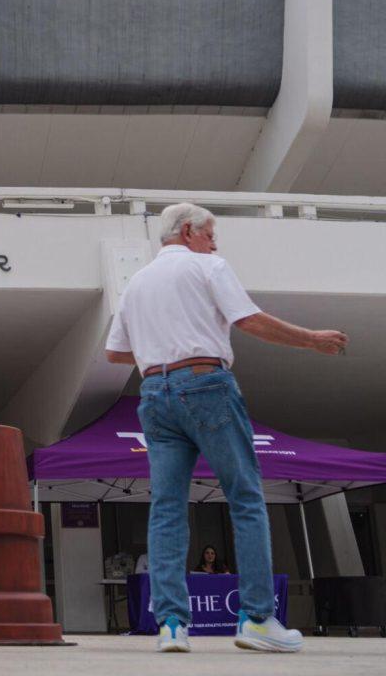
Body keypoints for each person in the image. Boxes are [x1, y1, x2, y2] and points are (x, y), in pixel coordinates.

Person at [105, 203, 347, 654]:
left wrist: (160, 343)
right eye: (211, 233)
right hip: (205, 383)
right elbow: (248, 320)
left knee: (167, 509)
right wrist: (311, 339)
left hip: (154, 391)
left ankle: (172, 625)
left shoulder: (136, 282)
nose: (215, 243)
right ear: (191, 231)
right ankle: (256, 618)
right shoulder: (208, 265)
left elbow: (115, 353)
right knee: (246, 497)